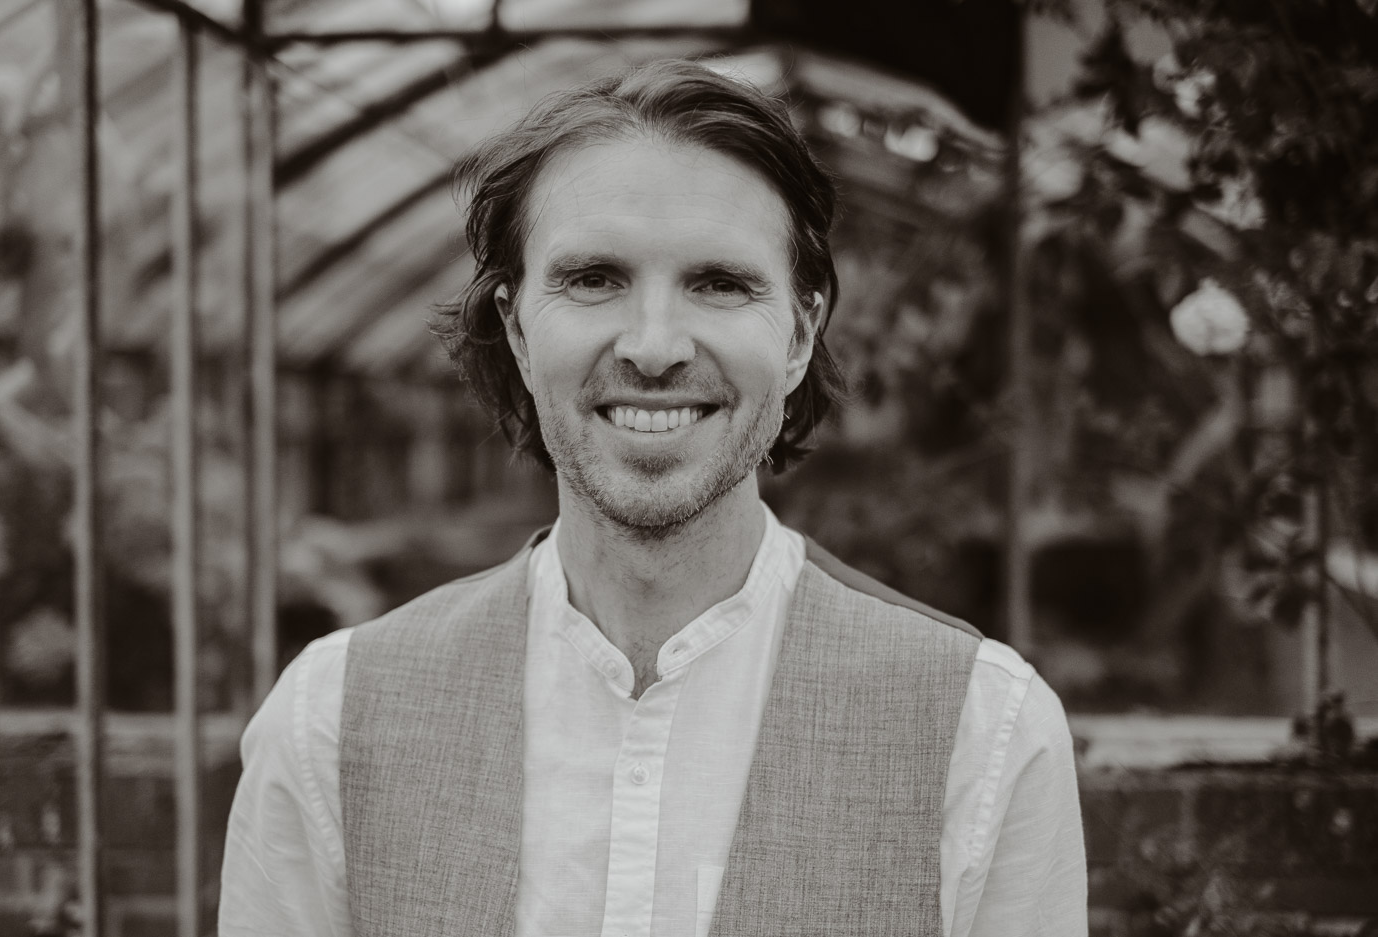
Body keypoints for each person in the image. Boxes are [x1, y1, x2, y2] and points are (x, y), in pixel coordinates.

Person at [219, 60, 1087, 937]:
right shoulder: (329, 723)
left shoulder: (984, 734)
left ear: (798, 334)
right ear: (519, 331)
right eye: (595, 277)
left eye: (720, 282)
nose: (655, 345)